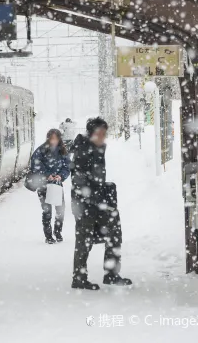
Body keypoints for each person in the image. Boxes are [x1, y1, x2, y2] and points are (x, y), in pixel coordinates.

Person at [70, 117, 132, 290]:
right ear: (92, 133)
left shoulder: (96, 148)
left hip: (98, 202)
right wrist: (94, 198)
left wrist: (104, 191)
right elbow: (79, 181)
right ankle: (79, 278)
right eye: (100, 133)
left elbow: (95, 179)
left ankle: (111, 274)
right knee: (84, 240)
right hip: (85, 204)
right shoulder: (82, 151)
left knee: (113, 234)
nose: (103, 136)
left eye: (105, 133)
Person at [29, 129, 70, 244]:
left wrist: (60, 176)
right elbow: (35, 164)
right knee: (47, 210)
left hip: (56, 184)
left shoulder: (62, 151)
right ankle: (48, 235)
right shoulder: (41, 150)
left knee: (60, 210)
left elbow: (67, 167)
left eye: (56, 138)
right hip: (43, 184)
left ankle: (58, 232)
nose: (53, 141)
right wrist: (47, 175)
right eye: (51, 138)